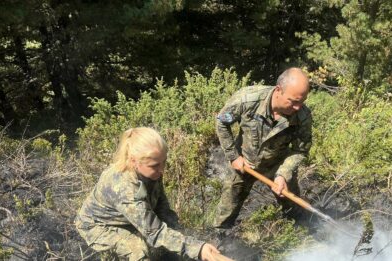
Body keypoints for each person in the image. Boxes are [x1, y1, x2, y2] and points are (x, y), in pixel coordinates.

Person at [75, 127, 220, 260]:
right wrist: (197, 248)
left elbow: (162, 209)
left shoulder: (152, 172)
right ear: (133, 161)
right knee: (139, 251)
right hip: (97, 226)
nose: (162, 169)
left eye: (164, 162)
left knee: (173, 245)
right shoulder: (123, 186)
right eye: (155, 165)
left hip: (129, 219)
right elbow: (154, 232)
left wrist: (182, 236)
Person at [213, 67, 312, 230]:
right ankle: (220, 240)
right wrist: (233, 156)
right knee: (227, 209)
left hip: (277, 165)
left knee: (294, 207)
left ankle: (299, 235)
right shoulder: (247, 100)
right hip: (245, 162)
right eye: (293, 101)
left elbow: (301, 150)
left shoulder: (302, 116)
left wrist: (283, 174)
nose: (297, 107)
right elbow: (221, 122)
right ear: (279, 90)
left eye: (302, 101)